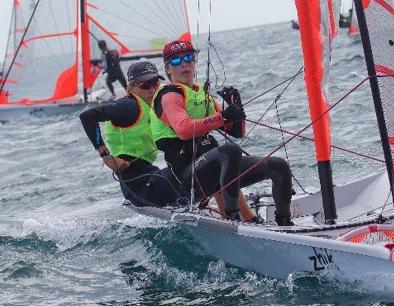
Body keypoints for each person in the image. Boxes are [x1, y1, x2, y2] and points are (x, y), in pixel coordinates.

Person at [150, 39, 294, 225]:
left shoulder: (201, 94)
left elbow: (236, 132)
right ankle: (232, 218)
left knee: (278, 165)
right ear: (168, 69)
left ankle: (284, 222)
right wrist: (223, 116)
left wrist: (236, 108)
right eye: (176, 61)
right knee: (230, 151)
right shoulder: (169, 95)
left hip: (219, 167)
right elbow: (184, 130)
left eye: (188, 57)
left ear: (195, 61)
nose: (184, 63)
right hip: (189, 176)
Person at [80, 61, 181, 207]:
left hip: (149, 174)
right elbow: (87, 116)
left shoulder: (154, 104)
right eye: (145, 85)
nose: (152, 90)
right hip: (139, 187)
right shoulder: (129, 106)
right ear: (131, 87)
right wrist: (105, 155)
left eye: (155, 83)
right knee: (188, 173)